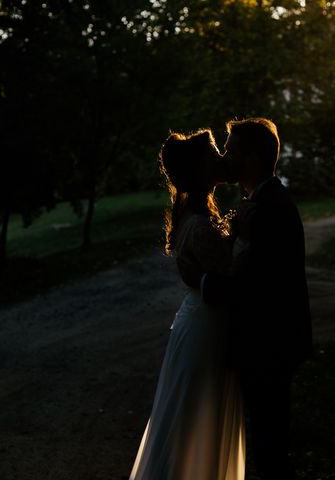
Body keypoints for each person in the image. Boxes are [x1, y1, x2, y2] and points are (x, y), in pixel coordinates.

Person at [187, 118, 312, 480]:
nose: (225, 156)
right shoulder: (259, 201)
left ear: (254, 158)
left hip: (270, 342)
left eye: (231, 149)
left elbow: (258, 287)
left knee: (270, 449)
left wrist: (204, 282)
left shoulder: (270, 209)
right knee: (267, 445)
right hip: (268, 340)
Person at [129, 129, 245, 480]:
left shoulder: (198, 216)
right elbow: (236, 278)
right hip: (204, 331)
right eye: (213, 155)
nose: (221, 159)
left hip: (201, 323)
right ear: (200, 170)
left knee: (196, 421)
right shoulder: (197, 225)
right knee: (194, 422)